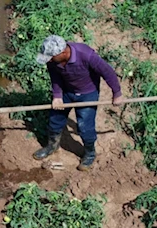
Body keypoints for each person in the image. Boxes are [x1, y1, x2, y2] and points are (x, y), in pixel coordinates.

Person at [33, 35, 123, 171]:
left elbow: (107, 72)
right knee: (55, 120)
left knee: (85, 127)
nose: (49, 60)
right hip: (66, 91)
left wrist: (117, 93)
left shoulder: (85, 55)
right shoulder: (53, 61)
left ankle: (90, 153)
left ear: (63, 53)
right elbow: (55, 76)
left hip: (87, 93)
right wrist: (57, 96)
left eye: (51, 57)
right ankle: (52, 146)